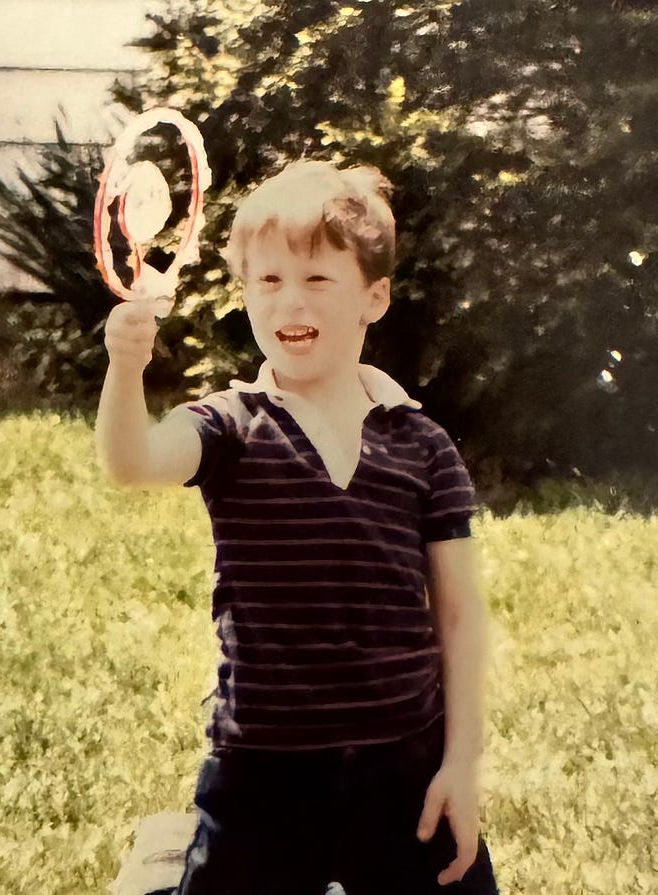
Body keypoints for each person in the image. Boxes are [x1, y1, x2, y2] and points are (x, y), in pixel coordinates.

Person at [97, 159, 498, 894]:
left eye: (317, 280)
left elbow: (461, 613)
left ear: (373, 297)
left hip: (403, 766)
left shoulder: (421, 445)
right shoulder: (230, 425)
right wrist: (126, 369)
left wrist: (460, 763)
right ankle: (166, 858)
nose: (289, 301)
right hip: (263, 773)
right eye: (268, 281)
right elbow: (133, 461)